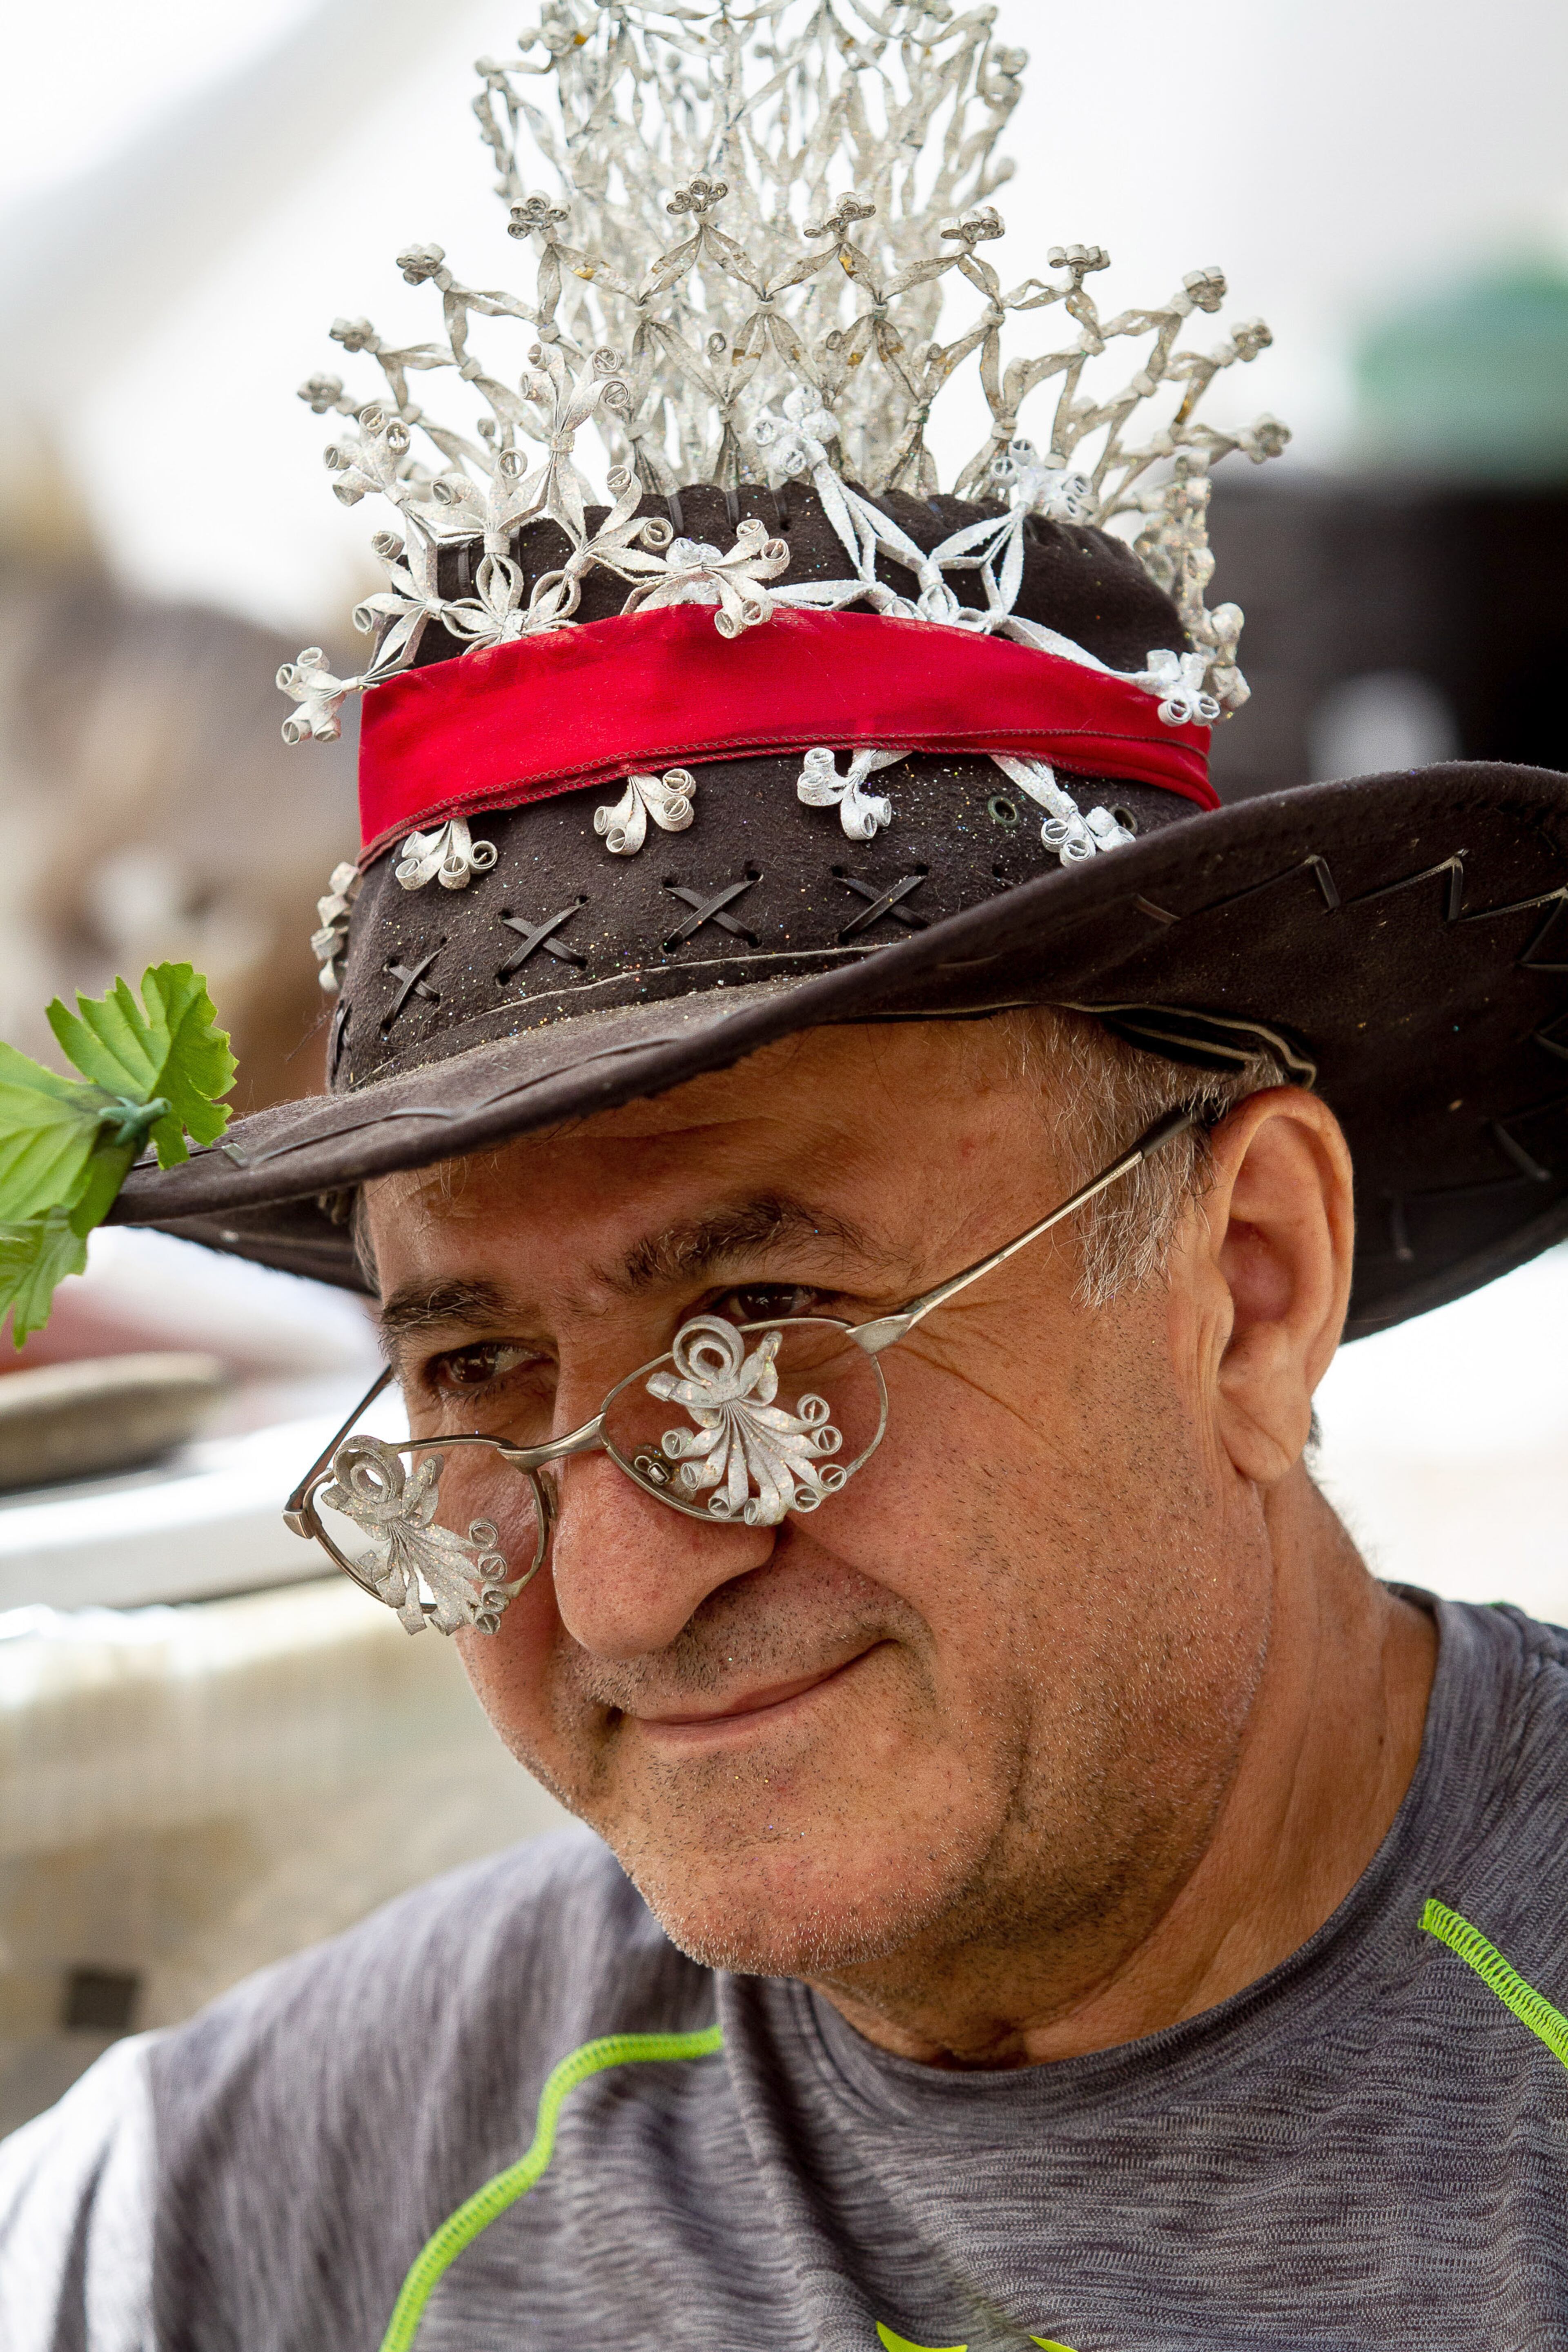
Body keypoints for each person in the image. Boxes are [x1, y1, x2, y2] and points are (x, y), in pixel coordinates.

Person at [4, 7, 1568, 2346]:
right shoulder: (265, 2198)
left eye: (760, 1338)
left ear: (1250, 1280)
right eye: (476, 1372)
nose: (620, 1589)